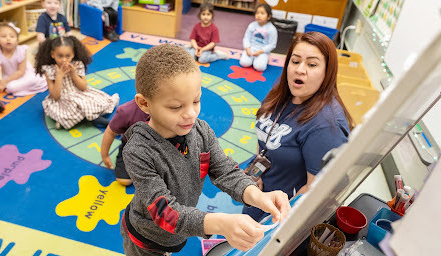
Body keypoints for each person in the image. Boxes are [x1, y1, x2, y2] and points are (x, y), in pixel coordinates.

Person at [120, 44, 291, 255]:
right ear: (144, 103)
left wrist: (257, 196)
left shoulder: (201, 131)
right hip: (147, 240)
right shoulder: (138, 151)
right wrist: (219, 223)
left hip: (179, 232)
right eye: (176, 107)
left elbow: (225, 171)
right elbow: (165, 213)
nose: (191, 114)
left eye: (196, 100)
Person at [242, 32, 354, 221]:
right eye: (295, 61)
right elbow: (266, 136)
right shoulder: (283, 91)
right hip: (261, 193)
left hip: (281, 213)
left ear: (328, 71)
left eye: (312, 64)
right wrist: (256, 173)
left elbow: (314, 191)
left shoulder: (326, 126)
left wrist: (275, 224)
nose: (300, 70)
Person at [35, 36, 119, 130]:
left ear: (73, 54)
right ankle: (98, 120)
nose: (64, 60)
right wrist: (59, 76)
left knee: (93, 102)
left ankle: (81, 119)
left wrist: (73, 73)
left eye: (68, 56)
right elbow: (55, 96)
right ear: (52, 54)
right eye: (60, 56)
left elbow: (83, 87)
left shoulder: (77, 64)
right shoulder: (49, 70)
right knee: (74, 108)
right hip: (62, 99)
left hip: (79, 93)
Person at [0, 23, 47, 96]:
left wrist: (5, 81)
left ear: (17, 40)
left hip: (25, 75)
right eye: (3, 36)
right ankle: (23, 88)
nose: (8, 39)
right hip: (9, 78)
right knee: (10, 87)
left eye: (12, 36)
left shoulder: (20, 51)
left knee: (33, 80)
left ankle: (37, 81)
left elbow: (21, 72)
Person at [100, 99, 149, 186]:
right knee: (124, 180)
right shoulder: (127, 111)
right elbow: (110, 132)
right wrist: (105, 155)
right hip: (132, 148)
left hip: (162, 146)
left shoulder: (171, 108)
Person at [239, 3, 277, 72]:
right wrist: (247, 49)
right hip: (251, 49)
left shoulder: (272, 29)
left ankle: (264, 59)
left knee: (260, 67)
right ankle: (252, 59)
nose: (259, 15)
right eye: (257, 13)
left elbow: (272, 44)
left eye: (262, 13)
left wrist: (260, 51)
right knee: (244, 63)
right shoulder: (252, 25)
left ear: (269, 16)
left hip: (262, 51)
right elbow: (246, 38)